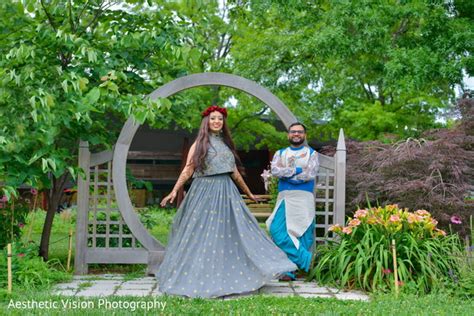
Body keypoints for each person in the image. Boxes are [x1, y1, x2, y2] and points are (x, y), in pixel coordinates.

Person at [156, 105, 296, 298]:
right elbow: (188, 169)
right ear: (207, 122)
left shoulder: (226, 145)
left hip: (226, 193)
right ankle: (197, 276)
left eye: (220, 119)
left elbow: (235, 173)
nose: (217, 122)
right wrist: (174, 191)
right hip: (203, 193)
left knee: (232, 234)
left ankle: (230, 274)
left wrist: (248, 193)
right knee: (201, 235)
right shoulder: (198, 144)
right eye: (213, 118)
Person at [266, 122, 319, 281]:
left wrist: (286, 174)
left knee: (302, 230)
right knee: (276, 229)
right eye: (293, 131)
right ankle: (307, 260)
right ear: (288, 134)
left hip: (303, 197)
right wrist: (296, 170)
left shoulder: (312, 153)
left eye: (300, 132)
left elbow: (310, 174)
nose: (296, 134)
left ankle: (291, 271)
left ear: (305, 135)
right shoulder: (280, 153)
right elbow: (275, 171)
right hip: (285, 196)